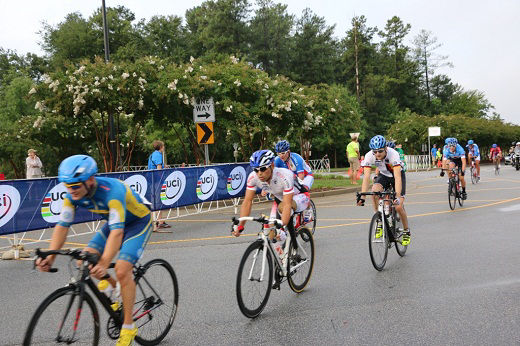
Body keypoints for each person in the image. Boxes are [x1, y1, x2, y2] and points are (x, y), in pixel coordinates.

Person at [35, 155, 153, 346]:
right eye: (66, 185)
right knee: (84, 260)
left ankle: (129, 327)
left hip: (138, 222)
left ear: (90, 180)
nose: (70, 190)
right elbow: (62, 226)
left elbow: (117, 233)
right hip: (115, 223)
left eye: (74, 186)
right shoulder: (72, 195)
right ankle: (116, 289)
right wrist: (50, 256)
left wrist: (105, 262)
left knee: (122, 269)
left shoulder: (112, 192)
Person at [232, 150, 310, 256]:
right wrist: (241, 226)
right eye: (256, 170)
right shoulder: (253, 177)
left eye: (263, 169)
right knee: (270, 227)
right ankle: (282, 259)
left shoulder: (284, 176)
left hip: (300, 196)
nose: (259, 173)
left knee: (283, 213)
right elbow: (247, 202)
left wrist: (282, 224)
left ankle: (293, 244)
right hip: (280, 198)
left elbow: (287, 204)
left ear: (272, 165)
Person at [357, 135, 410, 246]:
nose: (377, 154)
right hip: (384, 175)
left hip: (397, 175)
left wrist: (397, 196)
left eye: (380, 151)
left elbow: (397, 177)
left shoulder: (393, 154)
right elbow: (366, 177)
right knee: (374, 192)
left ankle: (406, 231)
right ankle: (379, 220)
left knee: (398, 206)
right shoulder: (369, 156)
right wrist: (362, 197)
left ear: (386, 148)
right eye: (375, 152)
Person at [148, 140, 170, 230]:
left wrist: (165, 166)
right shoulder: (158, 155)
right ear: (161, 147)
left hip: (152, 180)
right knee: (158, 200)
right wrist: (161, 179)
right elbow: (158, 168)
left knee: (157, 200)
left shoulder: (154, 154)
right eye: (163, 146)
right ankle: (159, 221)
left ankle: (159, 221)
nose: (164, 148)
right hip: (156, 180)